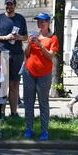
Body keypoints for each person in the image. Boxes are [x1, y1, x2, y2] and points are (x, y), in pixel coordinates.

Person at [0, 0, 28, 117]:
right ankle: (1, 113)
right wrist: (5, 38)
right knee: (3, 84)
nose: (9, 6)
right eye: (7, 4)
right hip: (3, 53)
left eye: (11, 4)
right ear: (5, 5)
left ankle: (14, 112)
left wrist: (19, 37)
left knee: (15, 83)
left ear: (15, 5)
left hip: (17, 54)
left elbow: (26, 37)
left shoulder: (20, 18)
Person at [22, 12, 59, 140]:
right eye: (38, 21)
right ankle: (28, 128)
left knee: (43, 102)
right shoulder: (33, 35)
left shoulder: (53, 38)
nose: (40, 23)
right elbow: (26, 54)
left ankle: (44, 131)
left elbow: (50, 56)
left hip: (44, 74)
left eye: (43, 21)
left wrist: (40, 45)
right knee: (28, 102)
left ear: (48, 22)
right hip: (29, 72)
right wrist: (29, 43)